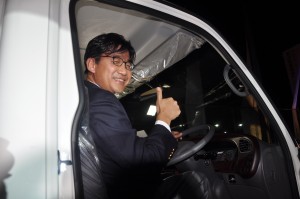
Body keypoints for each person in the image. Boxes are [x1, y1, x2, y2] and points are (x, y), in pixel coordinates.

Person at [83, 32, 211, 199]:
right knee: (198, 181)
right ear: (92, 64)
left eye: (128, 65)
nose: (124, 71)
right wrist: (164, 118)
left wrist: (163, 135)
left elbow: (118, 146)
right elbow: (144, 164)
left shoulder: (86, 96)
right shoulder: (102, 101)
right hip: (129, 192)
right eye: (116, 60)